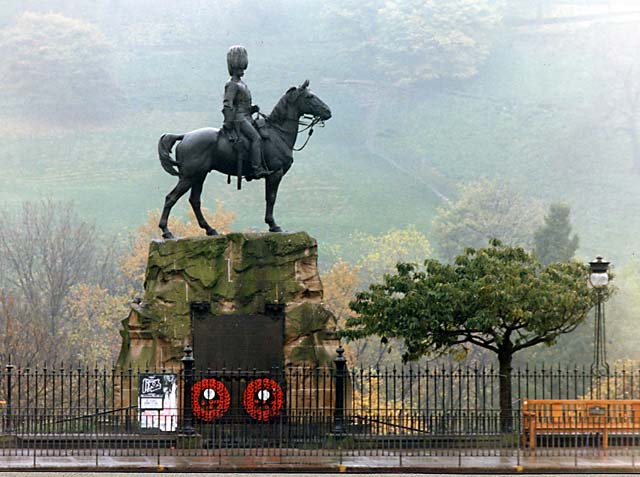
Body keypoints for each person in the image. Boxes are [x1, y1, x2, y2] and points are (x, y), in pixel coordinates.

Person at [222, 45, 271, 180]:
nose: (242, 70)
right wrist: (229, 122)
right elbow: (228, 104)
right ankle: (256, 169)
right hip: (239, 119)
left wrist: (252, 108)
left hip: (246, 116)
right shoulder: (232, 84)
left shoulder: (241, 83)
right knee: (256, 138)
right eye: (240, 67)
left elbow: (242, 104)